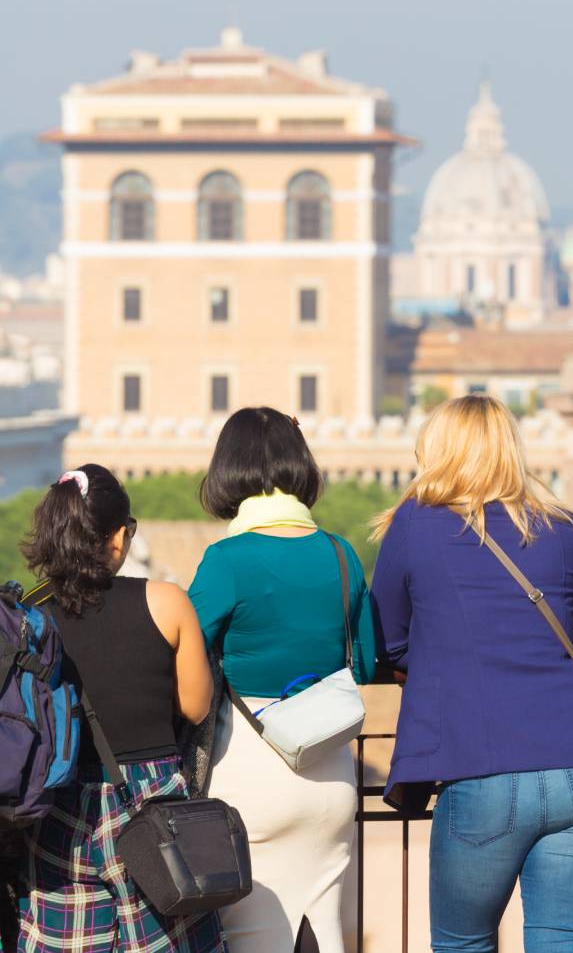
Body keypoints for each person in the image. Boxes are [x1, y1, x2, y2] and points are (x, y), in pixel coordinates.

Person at [370, 395, 573, 953]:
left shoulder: (416, 522)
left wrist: (441, 654)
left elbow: (387, 638)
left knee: (463, 944)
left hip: (483, 765)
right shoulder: (561, 526)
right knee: (562, 943)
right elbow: (562, 624)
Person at [188, 407, 377, 953]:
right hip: (332, 773)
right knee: (322, 932)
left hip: (251, 773)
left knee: (250, 935)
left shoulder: (227, 560)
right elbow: (366, 663)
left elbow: (181, 657)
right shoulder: (341, 554)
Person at [16, 465, 224, 953]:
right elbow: (196, 707)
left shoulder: (31, 618)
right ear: (115, 537)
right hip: (151, 804)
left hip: (60, 802)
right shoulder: (166, 601)